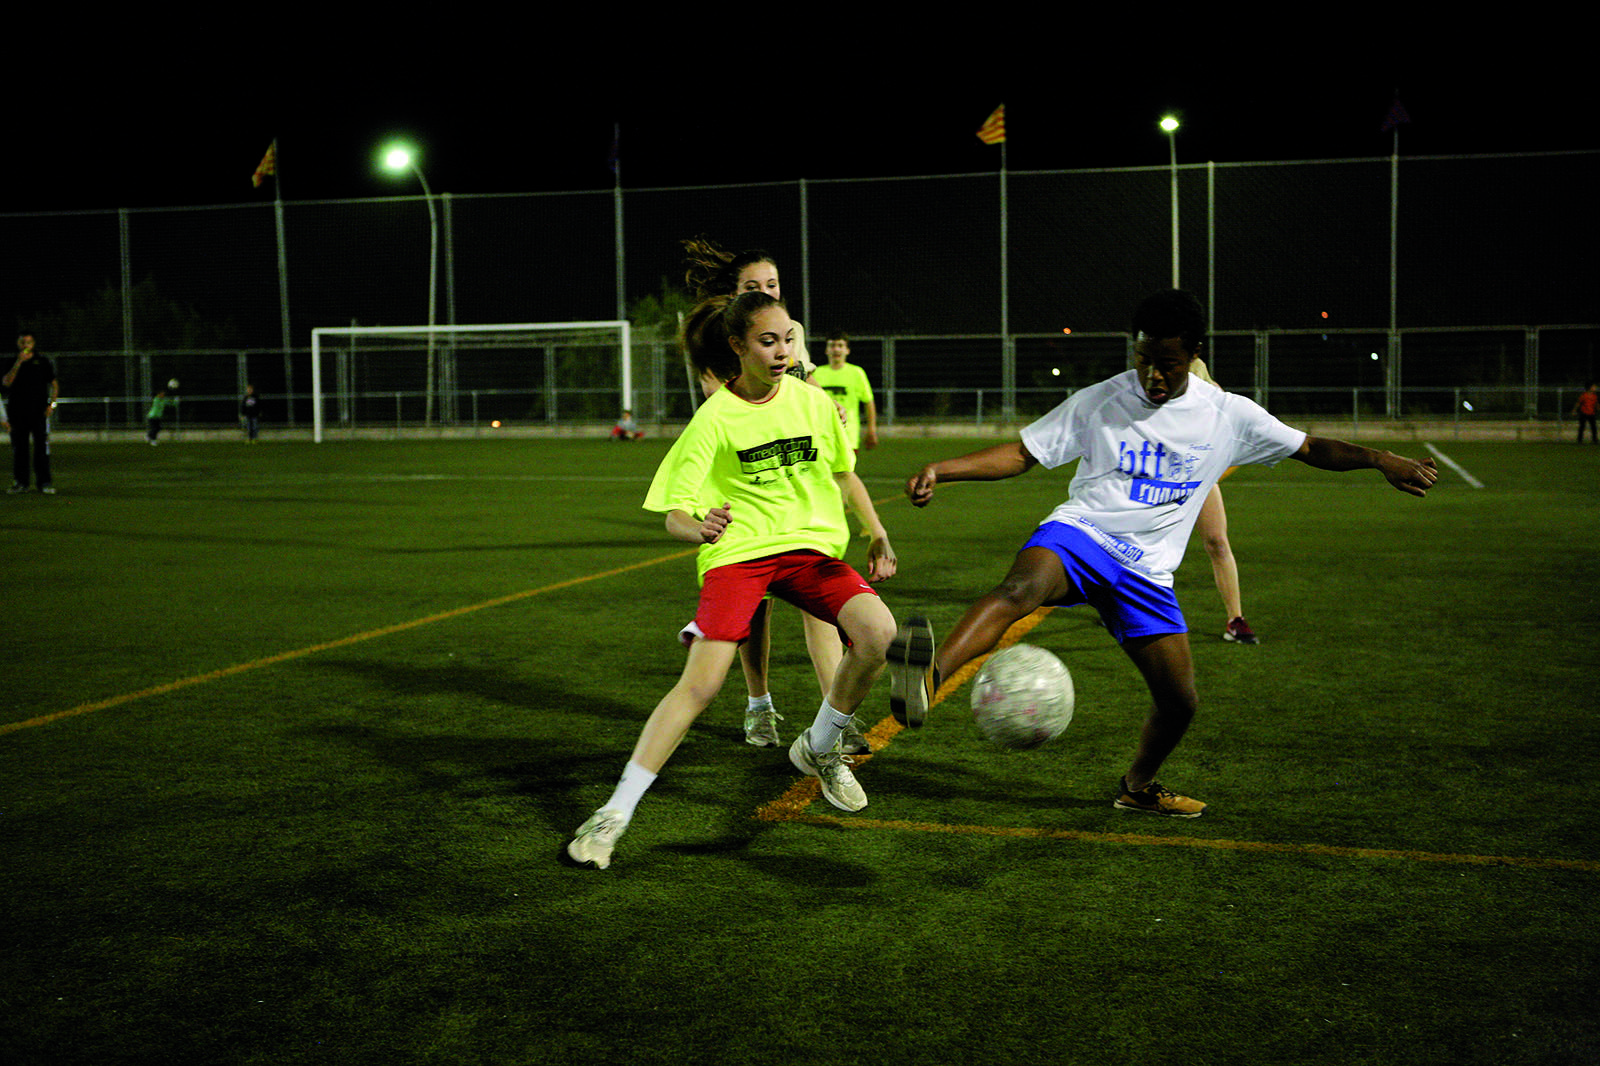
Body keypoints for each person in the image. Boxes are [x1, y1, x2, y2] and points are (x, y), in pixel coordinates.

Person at [887, 289, 1438, 818]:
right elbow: (1024, 453)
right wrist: (944, 469)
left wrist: (1379, 458)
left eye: (1168, 364)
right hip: (1085, 534)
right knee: (1019, 590)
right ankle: (925, 685)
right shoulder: (1101, 398)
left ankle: (1138, 787)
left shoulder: (1228, 414)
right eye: (1144, 359)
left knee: (1181, 702)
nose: (1153, 375)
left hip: (1147, 571)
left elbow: (1311, 447)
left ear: (1195, 355)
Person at [565, 291, 899, 869]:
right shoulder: (714, 418)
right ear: (738, 348)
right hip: (739, 555)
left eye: (788, 338)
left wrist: (876, 530)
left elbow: (844, 475)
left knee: (878, 632)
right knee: (701, 684)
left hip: (806, 552)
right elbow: (674, 513)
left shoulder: (813, 403)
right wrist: (700, 527)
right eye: (767, 342)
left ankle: (819, 749)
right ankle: (612, 814)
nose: (782, 351)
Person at [681, 237, 873, 755]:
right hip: (746, 483)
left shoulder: (788, 334)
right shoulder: (719, 340)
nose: (766, 292)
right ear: (735, 294)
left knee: (822, 605)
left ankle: (836, 718)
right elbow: (721, 404)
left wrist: (821, 409)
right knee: (754, 613)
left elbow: (804, 385)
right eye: (754, 286)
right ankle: (759, 705)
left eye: (773, 285)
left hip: (796, 483)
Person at [1188, 358, 1256, 644]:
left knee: (1217, 541)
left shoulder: (1198, 370)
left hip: (1197, 472)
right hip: (1154, 472)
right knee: (1128, 543)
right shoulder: (1151, 374)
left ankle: (1235, 620)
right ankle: (1117, 603)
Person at [3, 332, 58, 494]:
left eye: (29, 342)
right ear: (18, 344)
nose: (26, 345)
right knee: (20, 449)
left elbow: (54, 385)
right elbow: (6, 383)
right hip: (17, 413)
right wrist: (19, 363)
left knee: (41, 448)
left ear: (33, 343)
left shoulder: (42, 361)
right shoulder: (12, 361)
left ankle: (44, 483)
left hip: (39, 413)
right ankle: (21, 482)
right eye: (22, 342)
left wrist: (51, 405)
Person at [810, 331, 879, 451]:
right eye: (832, 345)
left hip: (848, 436)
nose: (836, 349)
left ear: (847, 350)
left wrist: (871, 430)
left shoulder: (857, 373)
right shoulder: (815, 373)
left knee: (847, 470)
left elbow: (868, 402)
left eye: (840, 346)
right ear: (826, 350)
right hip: (822, 435)